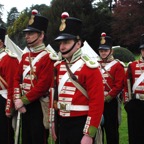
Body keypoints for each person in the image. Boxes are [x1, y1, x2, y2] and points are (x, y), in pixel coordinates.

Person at [49, 13, 104, 144]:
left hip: (81, 122)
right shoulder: (58, 66)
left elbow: (97, 102)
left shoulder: (90, 67)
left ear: (78, 43)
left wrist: (89, 134)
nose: (62, 47)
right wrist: (52, 122)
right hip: (61, 122)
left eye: (66, 42)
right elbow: (53, 97)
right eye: (60, 43)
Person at [13, 10, 58, 144]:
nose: (27, 36)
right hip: (23, 104)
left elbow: (43, 85)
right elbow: (16, 78)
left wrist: (23, 100)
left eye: (31, 33)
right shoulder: (26, 56)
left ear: (41, 35)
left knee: (38, 138)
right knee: (26, 138)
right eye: (26, 33)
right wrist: (17, 99)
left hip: (39, 105)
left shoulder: (48, 57)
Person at [98, 32, 125, 144]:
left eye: (105, 50)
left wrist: (107, 97)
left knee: (111, 131)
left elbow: (119, 85)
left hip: (110, 102)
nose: (103, 53)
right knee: (98, 131)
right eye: (101, 50)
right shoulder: (95, 64)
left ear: (111, 51)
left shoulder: (117, 65)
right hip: (97, 102)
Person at [124, 34, 144, 144]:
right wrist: (127, 102)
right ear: (141, 50)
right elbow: (126, 85)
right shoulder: (132, 66)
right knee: (135, 134)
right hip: (136, 104)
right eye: (143, 49)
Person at [0, 26, 19, 144]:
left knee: (4, 135)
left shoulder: (9, 58)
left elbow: (12, 84)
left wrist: (9, 106)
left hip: (3, 99)